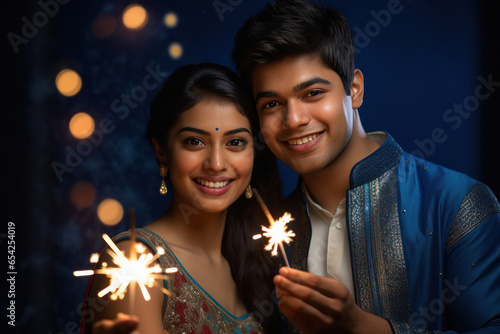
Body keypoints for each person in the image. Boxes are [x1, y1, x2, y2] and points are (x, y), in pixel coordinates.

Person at [232, 0, 500, 333]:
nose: (294, 119)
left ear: (354, 89)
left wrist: (362, 327)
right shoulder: (269, 230)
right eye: (272, 103)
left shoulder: (456, 202)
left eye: (313, 93)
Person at [79, 63, 283, 333]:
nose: (216, 163)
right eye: (195, 142)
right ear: (162, 150)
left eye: (235, 143)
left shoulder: (252, 261)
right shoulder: (136, 262)